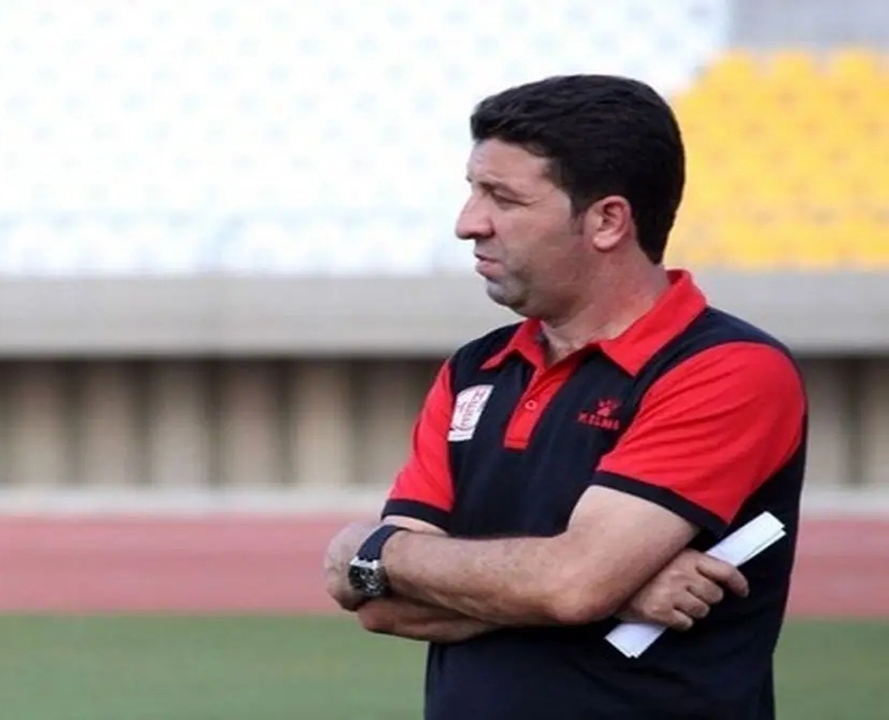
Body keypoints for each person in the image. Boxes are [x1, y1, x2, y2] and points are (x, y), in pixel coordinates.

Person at [323, 74, 808, 719]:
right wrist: (610, 590)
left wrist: (374, 551)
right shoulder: (476, 369)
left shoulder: (727, 368)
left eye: (503, 198)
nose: (468, 224)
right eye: (473, 190)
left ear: (607, 221)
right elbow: (380, 605)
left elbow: (572, 584)